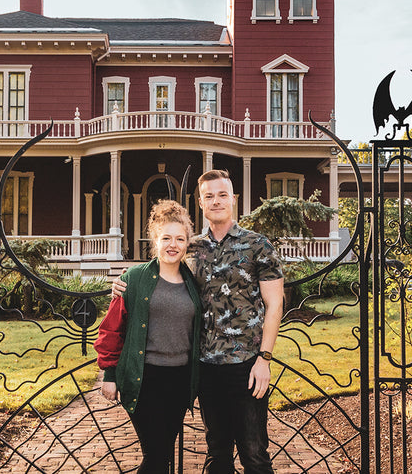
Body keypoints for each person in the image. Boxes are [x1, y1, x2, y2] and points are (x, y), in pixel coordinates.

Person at [113, 169, 285, 473]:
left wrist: (265, 360)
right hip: (205, 366)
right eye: (209, 196)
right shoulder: (192, 248)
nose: (216, 201)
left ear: (233, 199)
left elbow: (275, 305)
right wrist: (123, 282)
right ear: (201, 203)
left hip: (247, 365)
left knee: (254, 452)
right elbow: (160, 270)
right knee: (217, 452)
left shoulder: (259, 245)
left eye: (222, 195)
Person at [94, 199, 203, 474]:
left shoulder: (194, 282)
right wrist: (109, 375)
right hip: (145, 380)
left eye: (180, 238)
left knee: (162, 455)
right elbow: (111, 329)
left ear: (187, 242)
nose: (173, 245)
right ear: (155, 239)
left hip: (180, 381)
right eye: (166, 237)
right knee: (155, 456)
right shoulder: (134, 278)